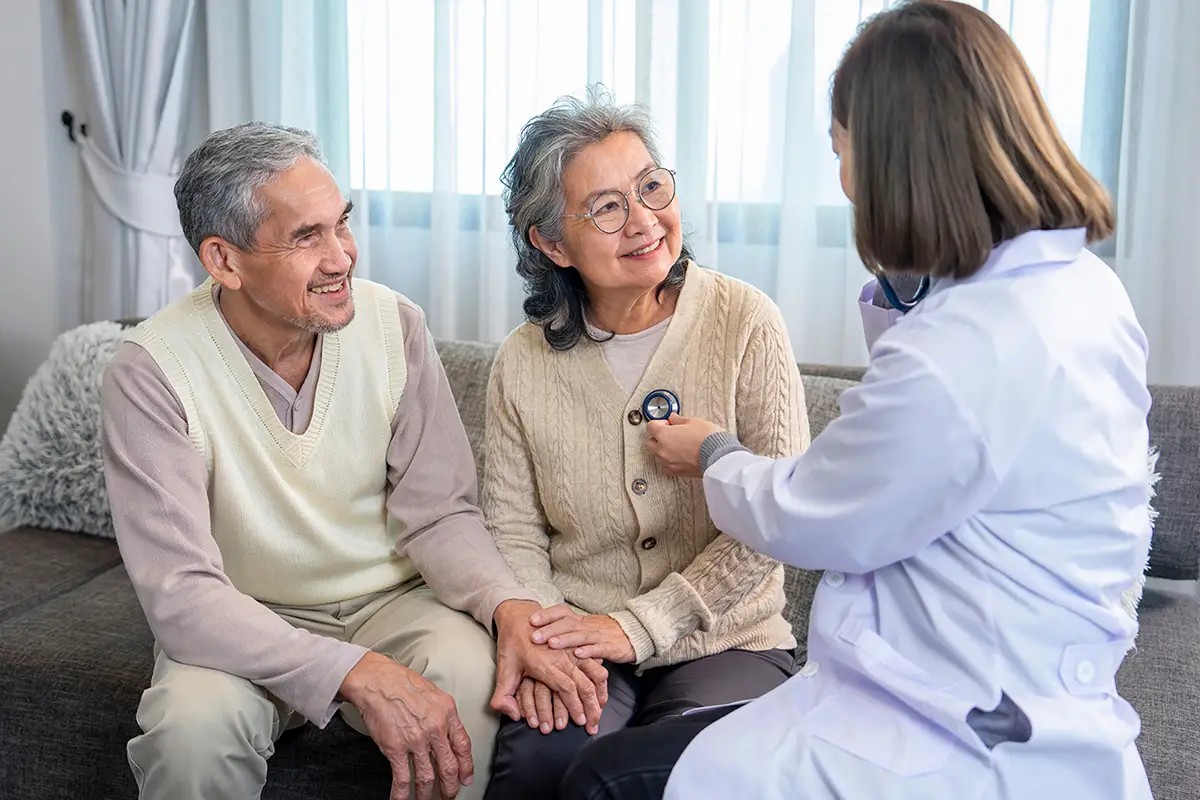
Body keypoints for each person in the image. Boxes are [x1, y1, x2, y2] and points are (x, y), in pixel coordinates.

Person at [560, 2, 1155, 798]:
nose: (842, 179)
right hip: (1028, 689)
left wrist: (714, 457)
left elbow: (815, 512)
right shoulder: (1079, 289)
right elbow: (935, 445)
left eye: (843, 151)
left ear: (895, 158)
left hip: (954, 724)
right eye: (605, 205)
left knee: (610, 780)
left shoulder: (953, 345)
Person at [101, 121, 607, 800]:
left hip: (395, 604)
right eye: (306, 237)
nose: (342, 256)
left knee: (479, 686)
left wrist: (506, 605)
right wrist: (354, 671)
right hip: (242, 617)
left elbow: (441, 516)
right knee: (189, 734)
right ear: (224, 261)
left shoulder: (395, 324)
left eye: (342, 223)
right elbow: (182, 594)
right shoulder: (151, 370)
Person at [479, 89, 811, 799]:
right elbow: (512, 526)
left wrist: (638, 625)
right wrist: (544, 643)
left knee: (684, 775)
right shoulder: (522, 360)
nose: (644, 220)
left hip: (728, 641)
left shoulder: (744, 320)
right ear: (551, 243)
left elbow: (778, 520)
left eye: (650, 186)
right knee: (541, 760)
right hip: (582, 641)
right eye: (606, 207)